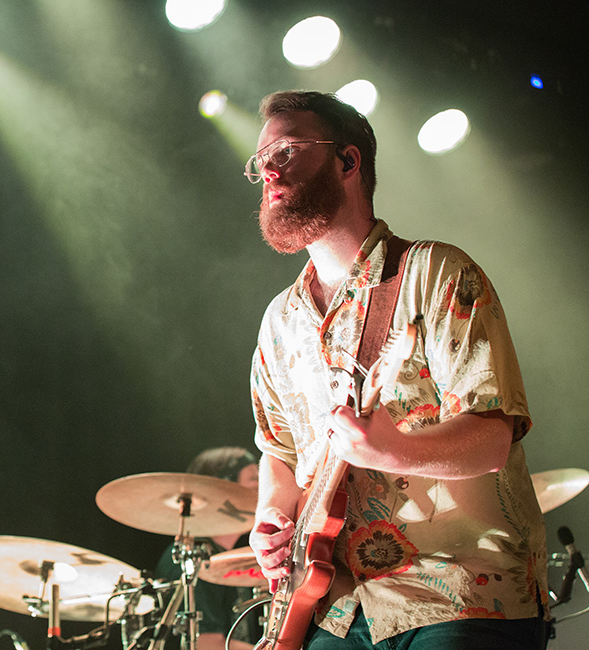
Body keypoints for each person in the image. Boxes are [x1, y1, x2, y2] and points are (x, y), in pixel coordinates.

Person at [244, 91, 550, 649]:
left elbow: (491, 440)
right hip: (334, 605)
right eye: (260, 159)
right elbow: (279, 451)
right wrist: (270, 517)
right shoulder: (278, 321)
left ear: (347, 161)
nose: (268, 169)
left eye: (286, 150)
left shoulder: (435, 273)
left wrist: (393, 451)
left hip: (460, 591)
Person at [154, 446, 262, 650]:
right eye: (254, 479)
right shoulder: (192, 559)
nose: (264, 487)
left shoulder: (227, 557)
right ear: (223, 489)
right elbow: (207, 645)